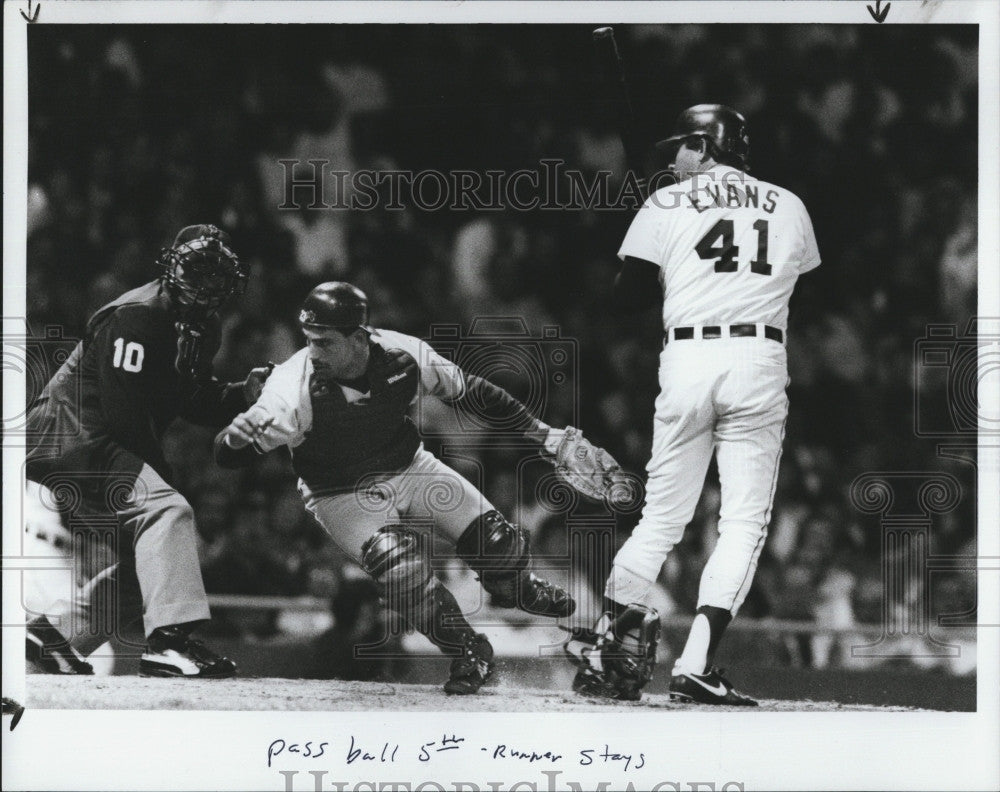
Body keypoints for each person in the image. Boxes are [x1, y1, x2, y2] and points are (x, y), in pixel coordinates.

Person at [214, 282, 613, 695]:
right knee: (400, 570)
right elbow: (226, 456)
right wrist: (234, 437)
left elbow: (473, 391)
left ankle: (518, 587)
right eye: (310, 340)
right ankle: (468, 650)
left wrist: (543, 435)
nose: (314, 351)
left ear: (359, 338)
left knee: (498, 543)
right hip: (339, 493)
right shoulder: (288, 387)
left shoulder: (404, 354)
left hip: (409, 466)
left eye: (325, 342)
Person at [571, 105, 821, 704]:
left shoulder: (662, 203)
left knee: (660, 518)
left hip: (685, 358)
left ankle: (611, 654)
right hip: (758, 356)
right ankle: (697, 663)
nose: (670, 160)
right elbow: (793, 281)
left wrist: (650, 226)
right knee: (741, 523)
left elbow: (625, 299)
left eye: (678, 149)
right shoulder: (788, 203)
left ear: (703, 146)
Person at [25, 224, 270, 677]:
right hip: (72, 435)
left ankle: (53, 639)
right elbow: (125, 416)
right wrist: (165, 487)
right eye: (196, 269)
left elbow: (190, 399)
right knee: (167, 512)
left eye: (214, 274)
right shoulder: (139, 314)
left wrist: (242, 394)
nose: (204, 283)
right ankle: (168, 643)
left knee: (148, 559)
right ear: (172, 265)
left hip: (95, 439)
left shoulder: (203, 326)